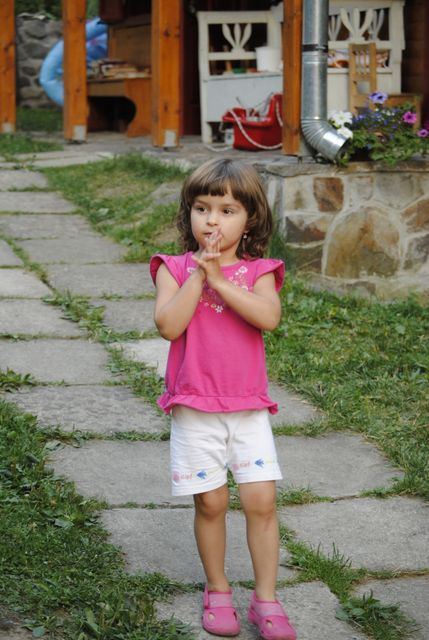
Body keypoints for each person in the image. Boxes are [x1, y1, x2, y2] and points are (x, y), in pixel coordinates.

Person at [150, 158, 296, 640]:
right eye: (202, 208)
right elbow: (169, 325)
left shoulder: (259, 271)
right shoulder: (173, 268)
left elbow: (268, 318)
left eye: (227, 211)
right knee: (211, 504)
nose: (212, 221)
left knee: (261, 501)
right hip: (195, 409)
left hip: (248, 409)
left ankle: (266, 598)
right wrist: (199, 276)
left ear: (249, 220)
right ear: (188, 213)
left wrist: (220, 280)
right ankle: (217, 589)